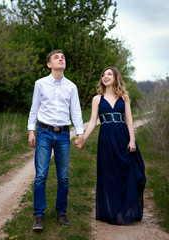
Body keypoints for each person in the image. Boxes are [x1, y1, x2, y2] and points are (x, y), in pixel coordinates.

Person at [75, 67, 146, 225]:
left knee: (127, 173)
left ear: (116, 78)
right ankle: (113, 211)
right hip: (106, 139)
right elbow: (93, 121)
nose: (105, 76)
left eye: (109, 74)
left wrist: (132, 139)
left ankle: (125, 209)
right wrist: (83, 139)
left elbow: (129, 119)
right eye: (103, 75)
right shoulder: (97, 99)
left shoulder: (124, 97)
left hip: (123, 137)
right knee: (110, 175)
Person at [28, 50, 85, 230]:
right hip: (44, 132)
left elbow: (76, 111)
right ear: (49, 64)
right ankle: (39, 215)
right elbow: (34, 108)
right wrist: (31, 131)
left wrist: (80, 133)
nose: (61, 59)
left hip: (63, 134)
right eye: (56, 57)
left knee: (63, 177)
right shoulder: (40, 84)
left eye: (63, 57)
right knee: (41, 176)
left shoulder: (71, 86)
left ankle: (61, 212)